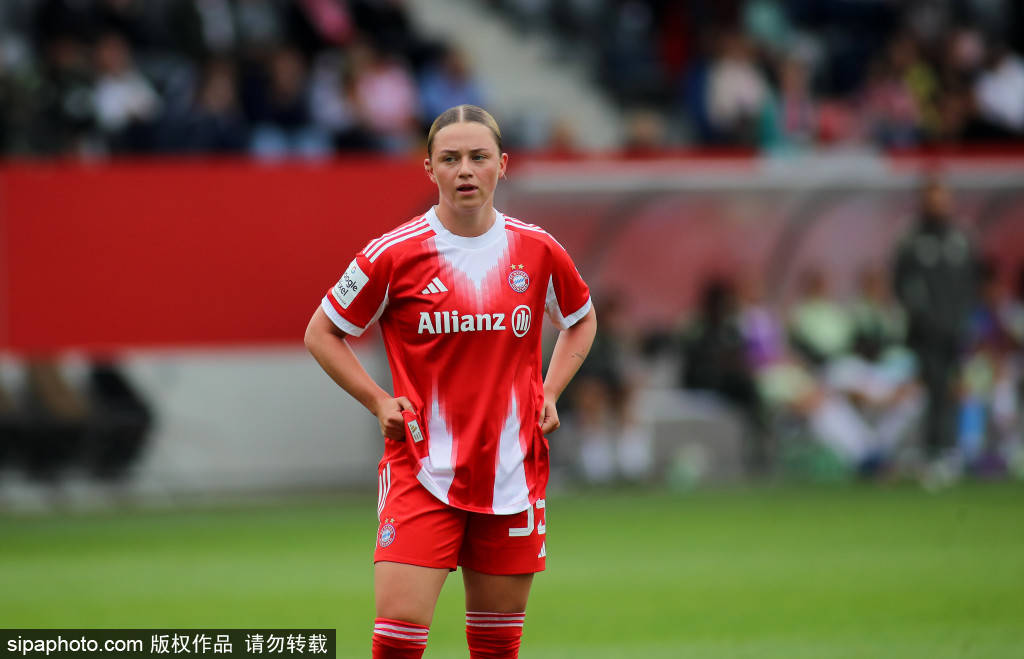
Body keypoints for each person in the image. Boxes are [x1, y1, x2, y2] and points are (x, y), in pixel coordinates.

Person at [304, 104, 596, 659]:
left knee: (496, 645)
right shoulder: (392, 254)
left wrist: (552, 389)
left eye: (478, 157)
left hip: (510, 472)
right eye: (450, 158)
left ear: (502, 165)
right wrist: (378, 400)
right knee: (398, 634)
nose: (465, 170)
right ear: (429, 169)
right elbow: (321, 332)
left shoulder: (537, 249)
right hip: (422, 466)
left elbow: (581, 318)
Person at [893, 177, 979, 478]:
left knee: (955, 390)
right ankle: (932, 452)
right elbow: (902, 285)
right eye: (932, 198)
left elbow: (970, 284)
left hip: (957, 331)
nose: (938, 204)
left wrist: (963, 321)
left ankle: (952, 450)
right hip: (925, 335)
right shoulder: (912, 240)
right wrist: (924, 319)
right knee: (933, 390)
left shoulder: (960, 239)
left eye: (942, 198)